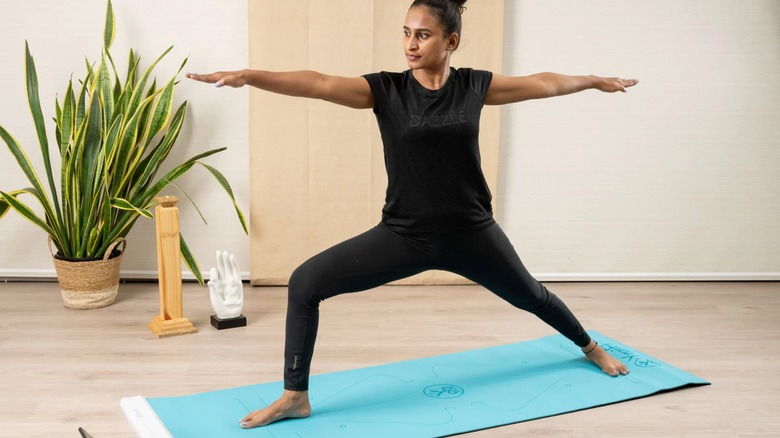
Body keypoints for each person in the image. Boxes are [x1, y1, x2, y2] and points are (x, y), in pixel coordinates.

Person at [188, 0, 637, 429]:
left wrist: (594, 80)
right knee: (305, 283)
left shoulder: (475, 86)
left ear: (451, 41)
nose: (411, 44)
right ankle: (294, 397)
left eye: (423, 35)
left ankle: (590, 347)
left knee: (532, 296)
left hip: (472, 232)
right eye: (406, 33)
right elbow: (319, 83)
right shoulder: (385, 89)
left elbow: (544, 84)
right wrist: (248, 76)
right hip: (404, 235)